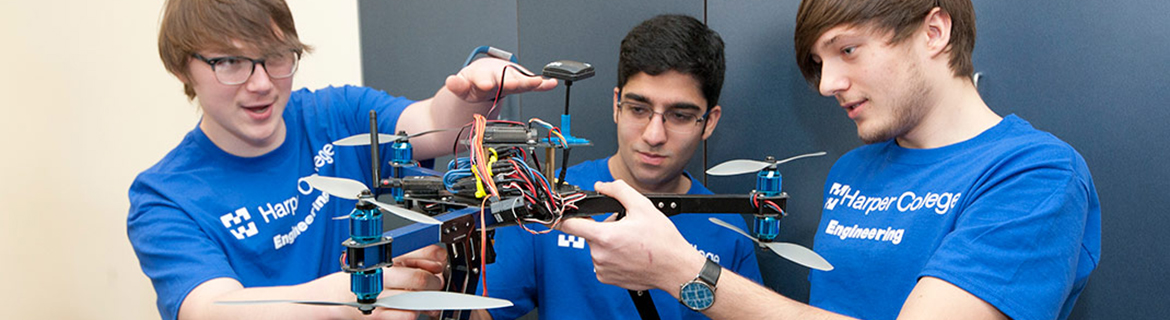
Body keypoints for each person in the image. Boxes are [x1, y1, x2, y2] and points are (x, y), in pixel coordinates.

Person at [559, 1, 1101, 320]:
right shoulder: (854, 172)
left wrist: (680, 270)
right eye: (818, 62)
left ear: (934, 32)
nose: (827, 84)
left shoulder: (1036, 175)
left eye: (847, 50)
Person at [126, 0, 557, 320]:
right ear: (183, 68)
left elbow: (432, 123)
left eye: (276, 58)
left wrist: (472, 88)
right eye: (231, 62)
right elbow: (211, 307)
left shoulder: (336, 114)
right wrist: (344, 299)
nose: (260, 84)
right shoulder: (165, 196)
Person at [475, 14, 762, 320]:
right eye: (638, 109)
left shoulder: (727, 229)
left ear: (709, 122)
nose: (654, 135)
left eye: (679, 115)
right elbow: (482, 314)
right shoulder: (547, 202)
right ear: (617, 105)